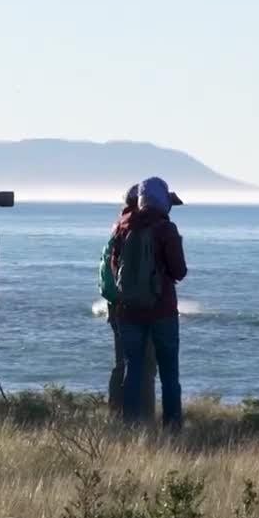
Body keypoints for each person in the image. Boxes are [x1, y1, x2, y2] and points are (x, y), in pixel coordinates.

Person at [112, 177, 187, 429]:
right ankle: (172, 427)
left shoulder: (122, 227)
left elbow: (115, 268)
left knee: (132, 370)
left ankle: (130, 426)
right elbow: (179, 271)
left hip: (128, 310)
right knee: (169, 373)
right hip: (162, 309)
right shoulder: (166, 229)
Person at [102, 185, 157, 416]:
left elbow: (107, 271)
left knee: (123, 362)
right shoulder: (137, 230)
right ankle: (141, 413)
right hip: (135, 307)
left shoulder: (118, 228)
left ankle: (118, 410)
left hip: (117, 306)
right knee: (144, 365)